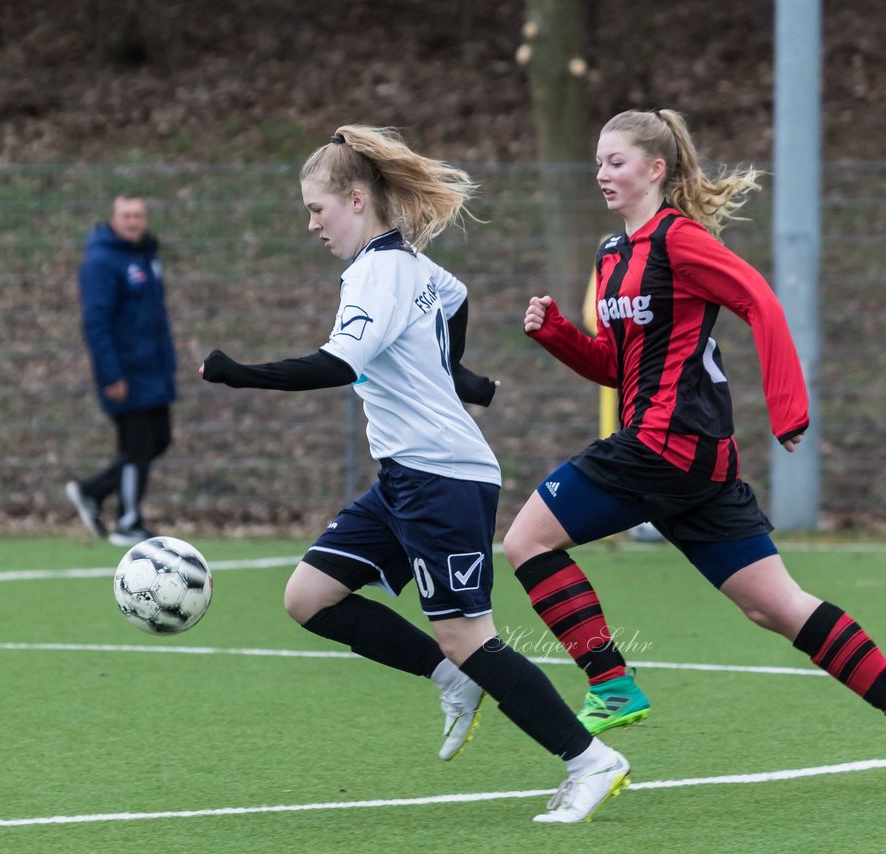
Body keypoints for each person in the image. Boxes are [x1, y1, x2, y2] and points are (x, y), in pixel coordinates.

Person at [201, 125, 630, 824]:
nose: (311, 224)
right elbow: (455, 298)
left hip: (443, 478)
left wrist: (239, 374)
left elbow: (339, 364)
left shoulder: (377, 272)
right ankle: (448, 677)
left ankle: (590, 760)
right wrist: (451, 373)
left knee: (470, 635)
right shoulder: (412, 264)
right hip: (406, 475)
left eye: (317, 208)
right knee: (309, 596)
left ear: (357, 198)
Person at [504, 108, 886, 735]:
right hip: (687, 458)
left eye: (616, 162)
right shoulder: (610, 256)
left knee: (525, 542)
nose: (601, 173)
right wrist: (557, 334)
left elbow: (758, 300)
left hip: (663, 444)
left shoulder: (678, 239)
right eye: (598, 161)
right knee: (779, 609)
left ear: (655, 169)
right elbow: (619, 368)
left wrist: (789, 409)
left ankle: (611, 684)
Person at [65, 194, 177, 547]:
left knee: (159, 440)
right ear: (113, 219)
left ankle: (92, 491)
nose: (133, 221)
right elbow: (95, 323)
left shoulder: (146, 255)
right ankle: (129, 521)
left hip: (153, 371)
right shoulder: (101, 262)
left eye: (139, 215)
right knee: (136, 446)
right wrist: (111, 374)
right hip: (126, 374)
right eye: (126, 215)